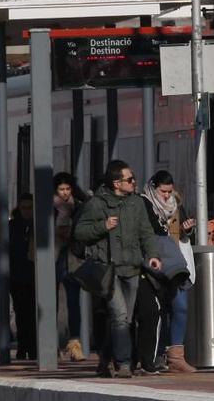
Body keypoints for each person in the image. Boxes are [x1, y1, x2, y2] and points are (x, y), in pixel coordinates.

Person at [74, 159, 161, 379]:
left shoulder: (137, 203)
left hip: (132, 268)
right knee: (120, 316)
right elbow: (80, 232)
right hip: (109, 270)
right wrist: (102, 226)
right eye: (129, 179)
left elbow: (146, 232)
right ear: (116, 183)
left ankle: (105, 358)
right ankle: (124, 363)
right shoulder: (97, 204)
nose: (134, 182)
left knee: (124, 320)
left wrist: (152, 255)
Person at [140, 170, 197, 374]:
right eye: (163, 191)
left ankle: (176, 357)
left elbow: (185, 232)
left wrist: (188, 229)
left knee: (180, 307)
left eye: (169, 191)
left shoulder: (176, 205)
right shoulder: (144, 204)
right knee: (159, 311)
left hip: (176, 263)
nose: (166, 196)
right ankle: (155, 356)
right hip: (156, 264)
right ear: (153, 188)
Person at [53, 172, 86, 362]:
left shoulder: (78, 207)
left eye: (68, 189)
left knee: (74, 303)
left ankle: (75, 344)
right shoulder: (49, 208)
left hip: (72, 258)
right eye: (61, 189)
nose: (65, 193)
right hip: (53, 257)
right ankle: (52, 344)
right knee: (52, 304)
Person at [9, 194, 36, 360]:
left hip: (34, 275)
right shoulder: (12, 226)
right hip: (17, 275)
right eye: (24, 208)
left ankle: (32, 347)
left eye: (30, 208)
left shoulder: (38, 225)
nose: (27, 211)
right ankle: (22, 346)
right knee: (20, 312)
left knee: (33, 312)